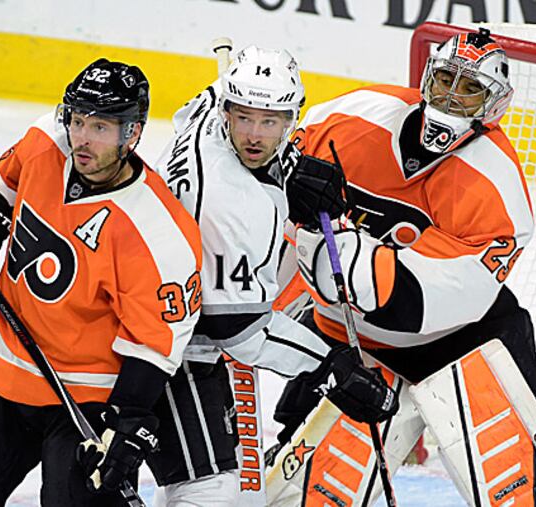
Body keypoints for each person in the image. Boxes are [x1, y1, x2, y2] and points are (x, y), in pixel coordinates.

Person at [0, 58, 203, 507]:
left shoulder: (158, 231)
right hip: (2, 373)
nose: (83, 138)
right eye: (78, 120)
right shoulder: (47, 140)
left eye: (101, 127)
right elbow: (3, 183)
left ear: (132, 133)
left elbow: (156, 342)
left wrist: (127, 418)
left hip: (82, 401)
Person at [282, 26, 536, 457]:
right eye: (445, 79)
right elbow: (274, 164)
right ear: (427, 76)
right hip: (340, 329)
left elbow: (457, 292)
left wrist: (377, 275)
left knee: (529, 453)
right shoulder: (355, 115)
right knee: (293, 466)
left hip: (449, 340)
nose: (451, 95)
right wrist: (288, 184)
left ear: (493, 104)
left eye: (470, 88)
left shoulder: (495, 180)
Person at [149, 45, 397, 505]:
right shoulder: (230, 207)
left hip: (168, 302)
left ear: (292, 118)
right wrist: (331, 368)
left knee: (213, 482)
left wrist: (290, 172)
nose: (255, 135)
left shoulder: (207, 110)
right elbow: (238, 331)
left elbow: (200, 111)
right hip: (164, 340)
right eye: (244, 118)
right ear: (228, 110)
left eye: (270, 120)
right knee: (214, 488)